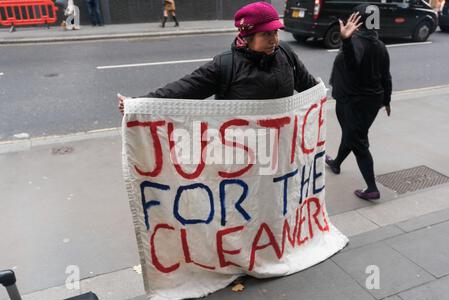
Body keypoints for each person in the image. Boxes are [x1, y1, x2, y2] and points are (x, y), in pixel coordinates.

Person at [120, 1, 317, 112]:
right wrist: (137, 104)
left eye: (275, 32)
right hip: (242, 156)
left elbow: (309, 87)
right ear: (247, 37)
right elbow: (183, 90)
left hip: (281, 153)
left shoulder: (286, 53)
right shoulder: (225, 65)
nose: (274, 39)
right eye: (266, 34)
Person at [326, 4, 392, 200]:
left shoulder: (356, 42)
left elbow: (352, 66)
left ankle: (372, 188)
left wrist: (346, 41)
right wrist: (387, 100)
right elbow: (386, 77)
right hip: (372, 102)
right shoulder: (379, 45)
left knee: (358, 142)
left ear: (357, 20)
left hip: (352, 102)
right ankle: (337, 163)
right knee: (353, 134)